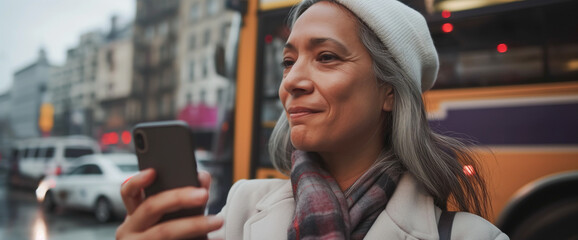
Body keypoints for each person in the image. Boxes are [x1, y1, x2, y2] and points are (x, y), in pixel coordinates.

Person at [116, 0, 509, 239]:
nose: (292, 82)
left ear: (389, 91)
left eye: (326, 57)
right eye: (289, 62)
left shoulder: (472, 237)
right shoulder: (238, 211)